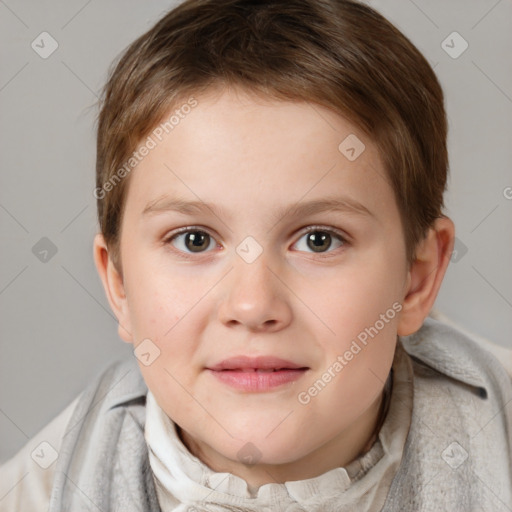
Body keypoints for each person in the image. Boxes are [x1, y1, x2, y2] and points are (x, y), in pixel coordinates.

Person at [1, 0, 511, 510]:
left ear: (415, 280)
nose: (253, 305)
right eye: (194, 240)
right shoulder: (37, 494)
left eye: (319, 240)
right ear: (120, 285)